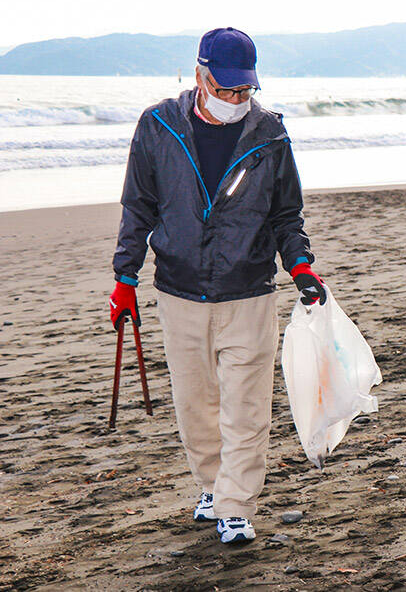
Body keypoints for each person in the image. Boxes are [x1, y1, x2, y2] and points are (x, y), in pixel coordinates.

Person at [108, 27, 326, 544]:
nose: (235, 100)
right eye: (226, 89)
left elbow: (286, 214)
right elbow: (138, 206)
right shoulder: (158, 124)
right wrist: (124, 275)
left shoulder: (270, 133)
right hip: (179, 290)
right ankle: (211, 485)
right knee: (195, 402)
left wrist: (299, 265)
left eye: (244, 91)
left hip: (248, 290)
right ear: (201, 75)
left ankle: (235, 505)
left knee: (246, 404)